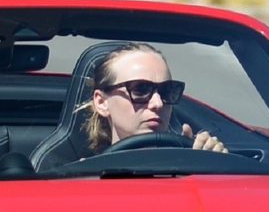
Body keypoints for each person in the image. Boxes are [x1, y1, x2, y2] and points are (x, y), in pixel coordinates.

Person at [74, 43, 226, 156]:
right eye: (140, 89)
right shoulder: (80, 183)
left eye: (166, 91)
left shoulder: (192, 167)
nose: (158, 103)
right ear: (101, 102)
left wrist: (213, 165)